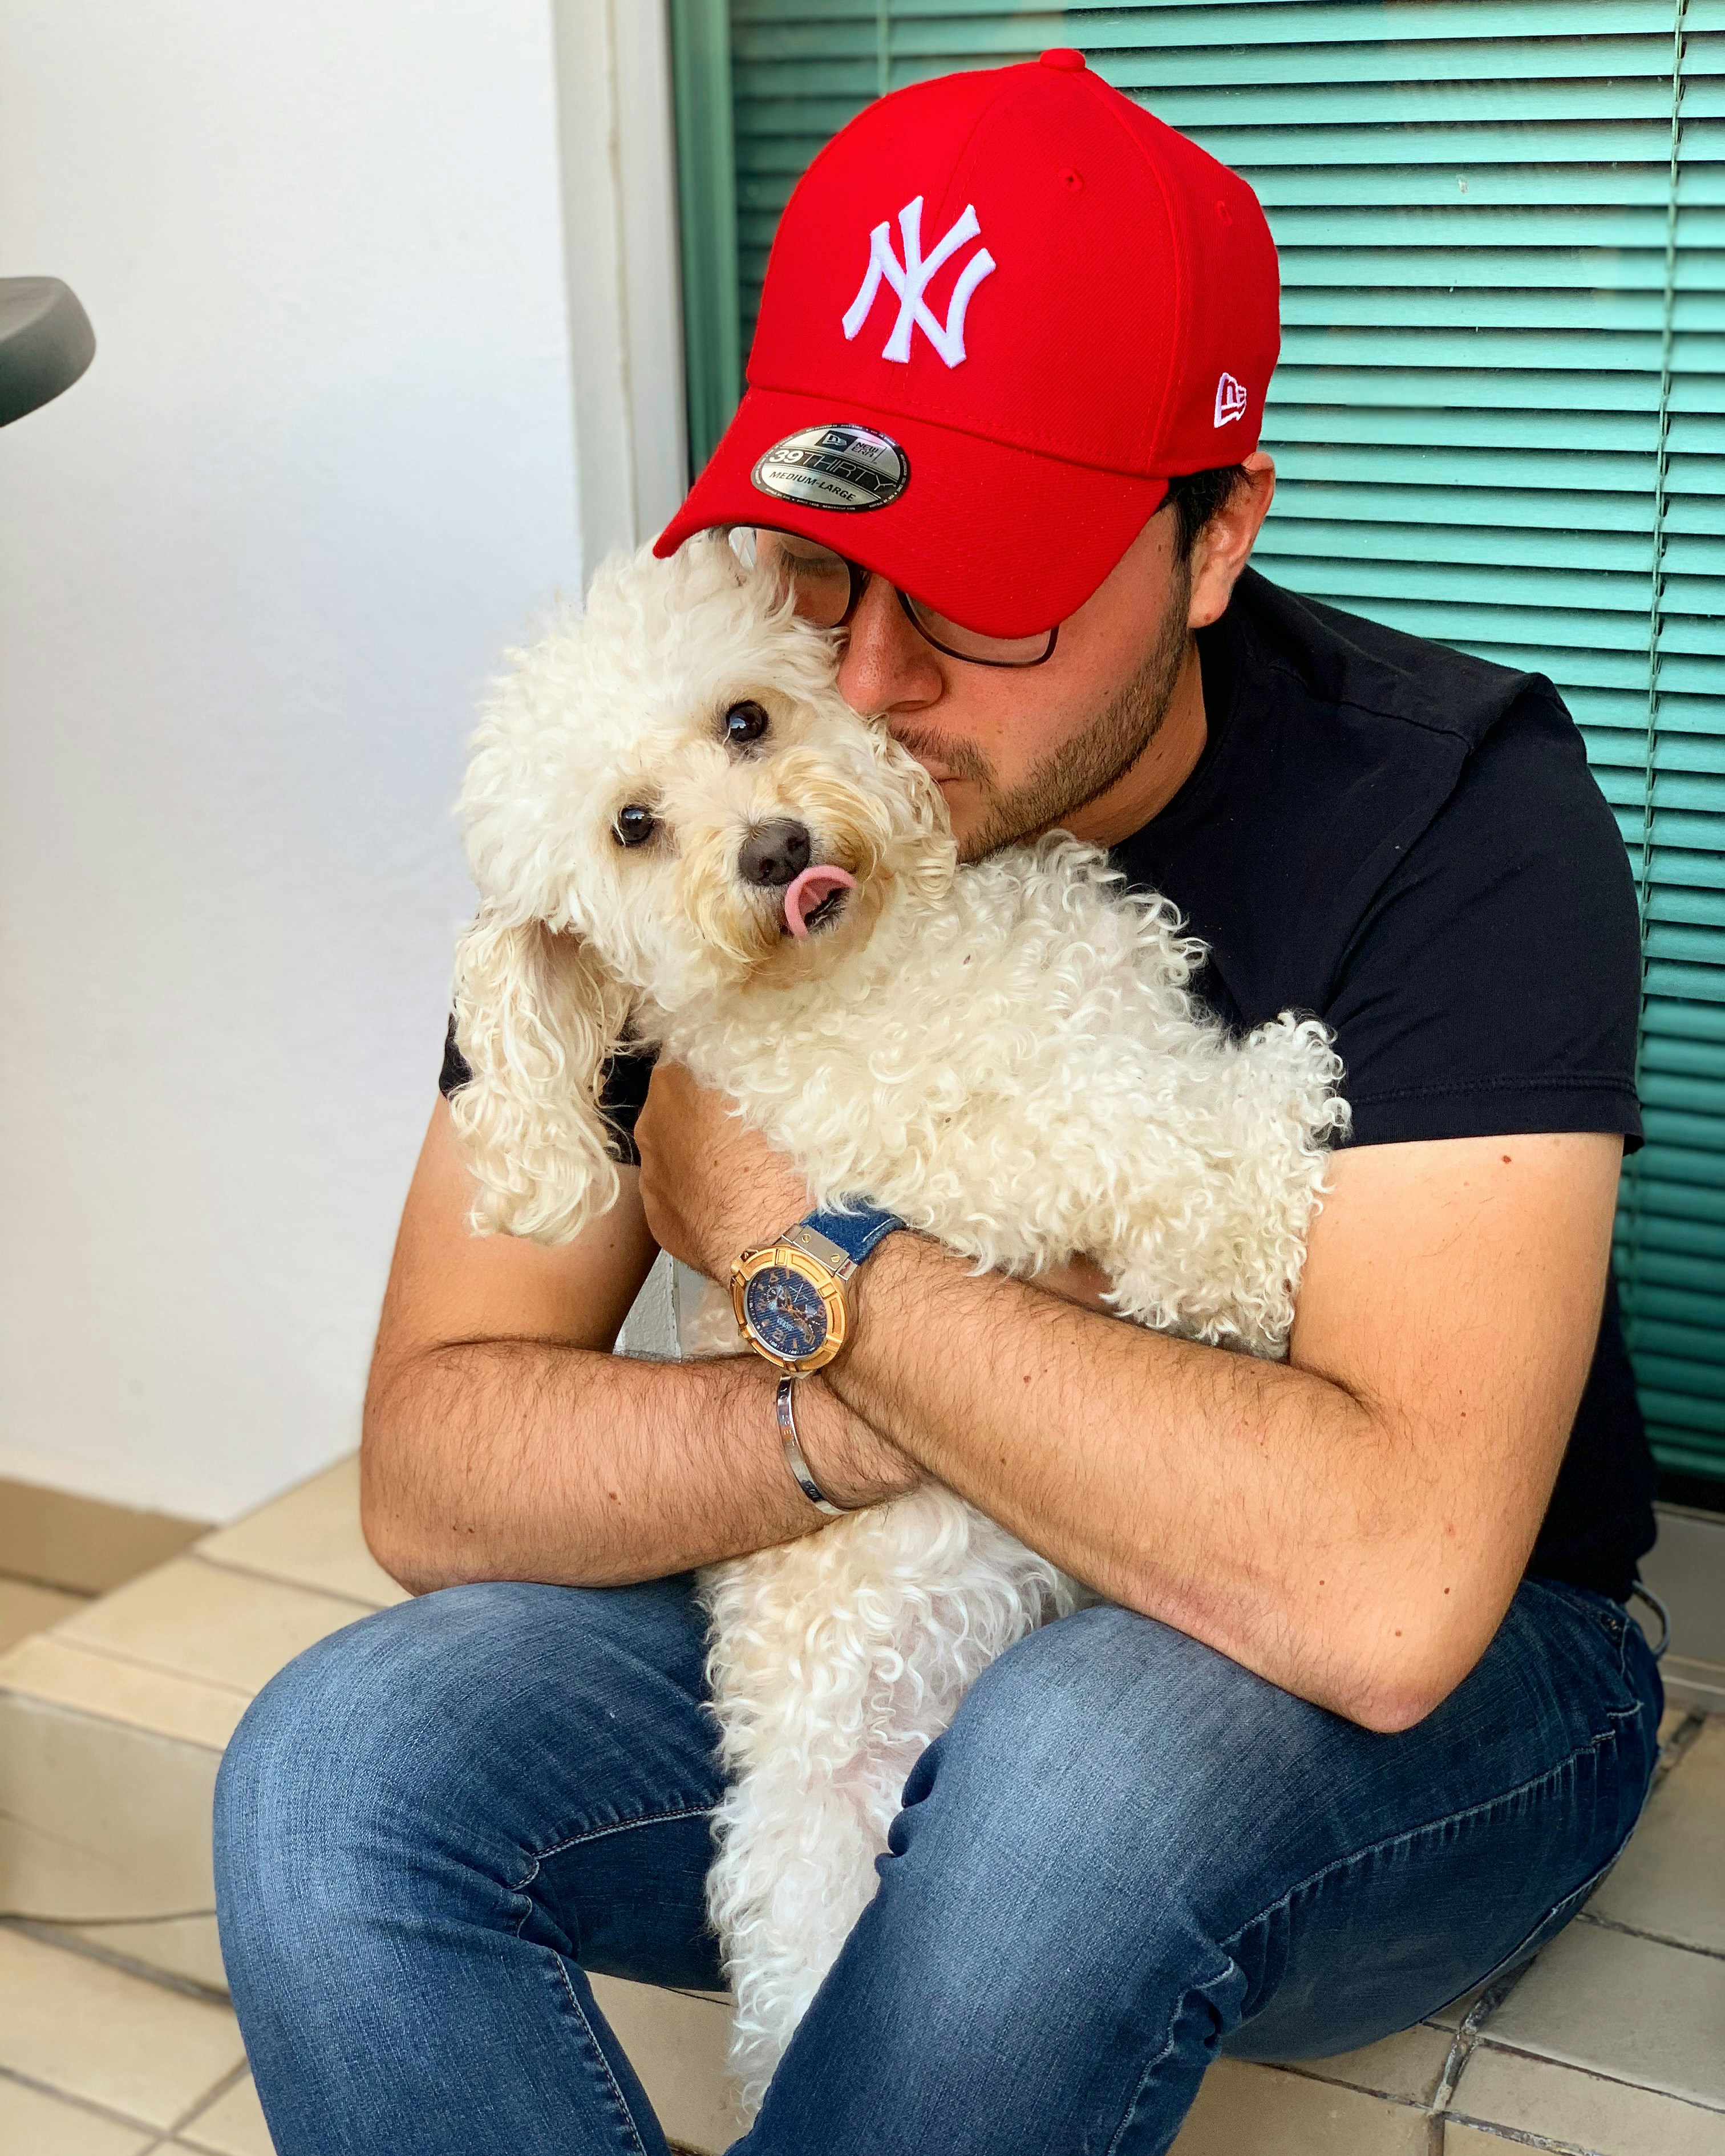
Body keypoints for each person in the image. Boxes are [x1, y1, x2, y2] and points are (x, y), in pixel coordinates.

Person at [213, 51, 1663, 2156]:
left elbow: (1381, 1584)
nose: (871, 682)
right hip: (886, 1609)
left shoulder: (1458, 812)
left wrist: (814, 1259)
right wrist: (843, 1410)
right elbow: (437, 1467)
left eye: (988, 583)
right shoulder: (709, 781)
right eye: (824, 559)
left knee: (1074, 1757)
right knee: (333, 1774)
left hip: (1457, 1702)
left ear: (1216, 535)